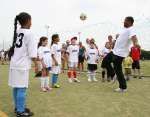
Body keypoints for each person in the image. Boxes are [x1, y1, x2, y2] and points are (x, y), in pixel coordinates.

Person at [8, 12, 37, 117]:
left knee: (16, 87)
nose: (31, 22)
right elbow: (33, 54)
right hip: (22, 65)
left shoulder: (18, 32)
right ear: (28, 21)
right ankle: (20, 111)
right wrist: (38, 63)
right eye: (31, 20)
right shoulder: (30, 33)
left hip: (14, 63)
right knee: (22, 88)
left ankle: (18, 107)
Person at [104, 16, 139, 92]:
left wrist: (135, 44)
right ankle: (114, 75)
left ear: (130, 22)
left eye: (125, 21)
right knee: (105, 62)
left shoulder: (131, 29)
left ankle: (123, 87)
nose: (124, 22)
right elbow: (119, 38)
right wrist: (115, 40)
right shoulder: (124, 29)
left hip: (120, 53)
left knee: (118, 70)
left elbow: (134, 38)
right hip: (114, 51)